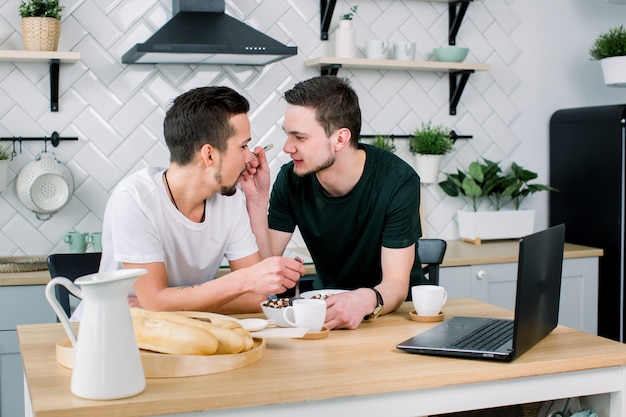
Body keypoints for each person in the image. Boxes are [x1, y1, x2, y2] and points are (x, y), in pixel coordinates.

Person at [75, 86, 305, 319]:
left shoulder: (230, 199)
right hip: (107, 331)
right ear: (209, 155)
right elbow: (157, 300)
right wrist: (241, 282)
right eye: (243, 146)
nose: (249, 156)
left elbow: (256, 297)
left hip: (179, 327)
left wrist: (165, 304)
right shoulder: (135, 199)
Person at [245, 75, 427, 330]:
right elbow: (261, 269)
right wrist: (256, 199)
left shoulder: (398, 181)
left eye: (300, 137)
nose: (287, 148)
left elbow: (396, 284)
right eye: (288, 135)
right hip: (325, 311)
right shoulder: (290, 180)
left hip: (392, 316)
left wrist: (363, 300)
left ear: (340, 139)